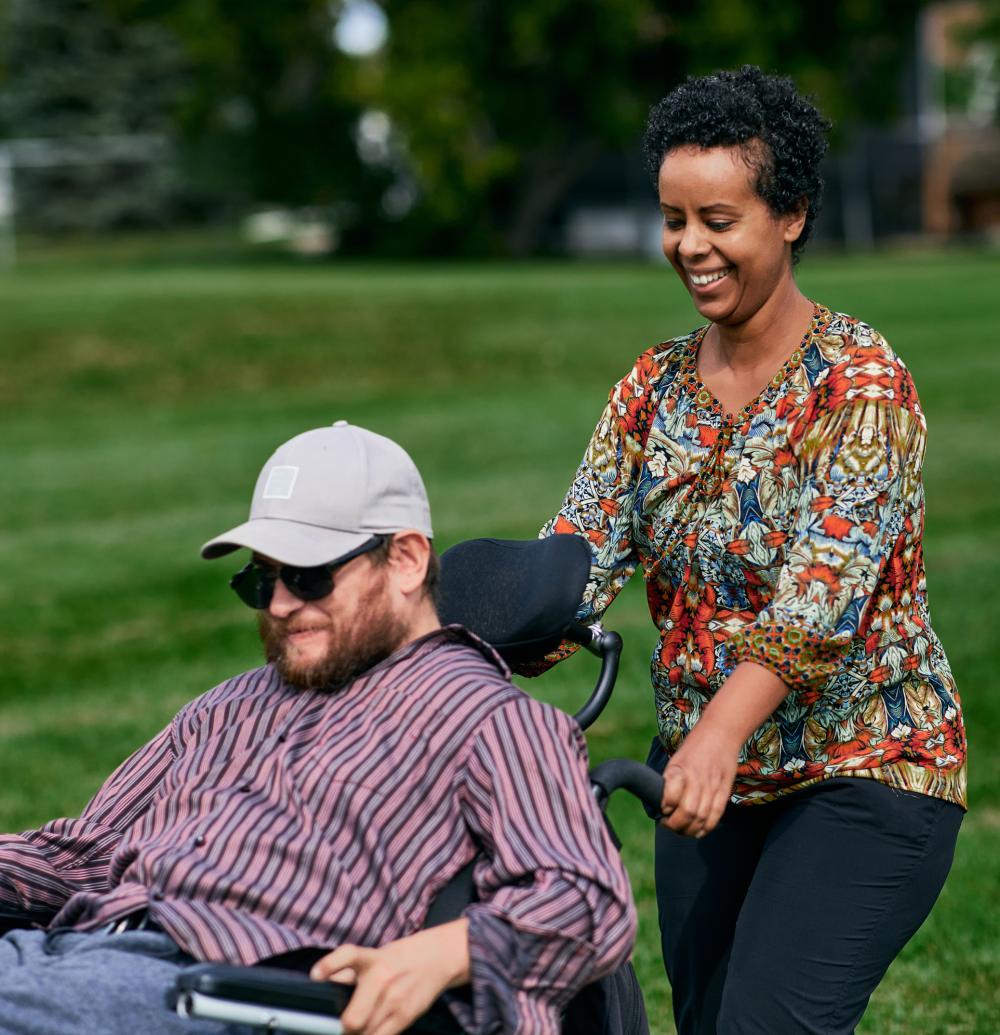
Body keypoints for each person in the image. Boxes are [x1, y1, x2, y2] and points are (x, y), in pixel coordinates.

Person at [534, 67, 967, 1035]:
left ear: (792, 216)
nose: (689, 245)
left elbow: (818, 600)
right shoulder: (652, 388)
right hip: (702, 779)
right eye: (673, 218)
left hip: (865, 770)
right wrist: (464, 632)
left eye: (717, 219)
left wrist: (720, 735)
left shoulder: (861, 383)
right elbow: (577, 557)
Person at [0, 421, 637, 1035]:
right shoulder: (226, 707)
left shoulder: (488, 719)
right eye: (261, 579)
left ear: (407, 559)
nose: (279, 603)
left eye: (308, 576)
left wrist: (445, 953)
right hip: (69, 957)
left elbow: (587, 898)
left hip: (224, 994)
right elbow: (86, 854)